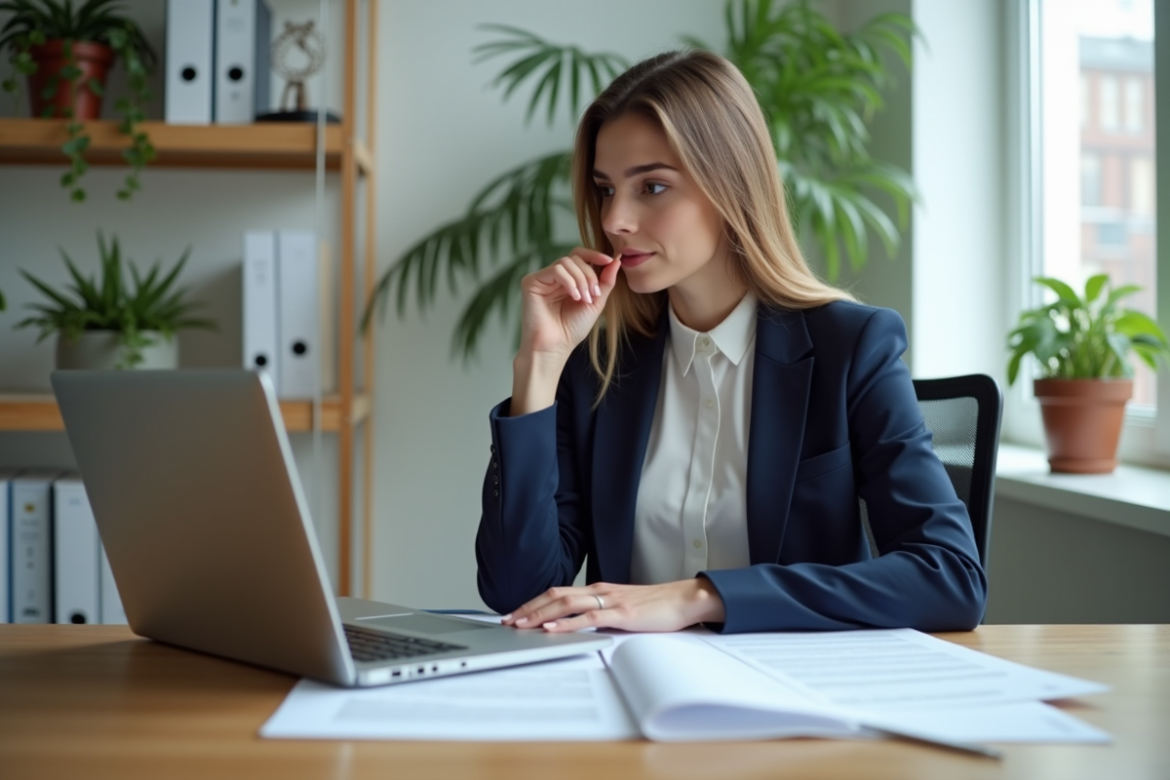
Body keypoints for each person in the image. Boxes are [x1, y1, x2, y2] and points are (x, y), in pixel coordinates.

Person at [474, 50, 986, 635]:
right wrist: (538, 367)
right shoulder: (595, 363)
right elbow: (518, 590)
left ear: (729, 185)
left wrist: (701, 597)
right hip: (631, 692)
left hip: (801, 698)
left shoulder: (851, 348)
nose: (615, 218)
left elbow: (950, 577)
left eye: (653, 186)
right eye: (605, 188)